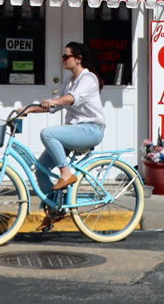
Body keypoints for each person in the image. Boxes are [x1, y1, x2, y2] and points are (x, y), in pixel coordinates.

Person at [26, 41, 105, 231]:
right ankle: (55, 209)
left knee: (48, 133)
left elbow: (71, 99)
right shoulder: (69, 81)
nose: (62, 59)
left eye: (66, 56)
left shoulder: (88, 79)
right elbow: (56, 106)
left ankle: (65, 173)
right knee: (41, 168)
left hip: (91, 130)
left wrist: (52, 101)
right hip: (75, 131)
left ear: (79, 59)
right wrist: (26, 110)